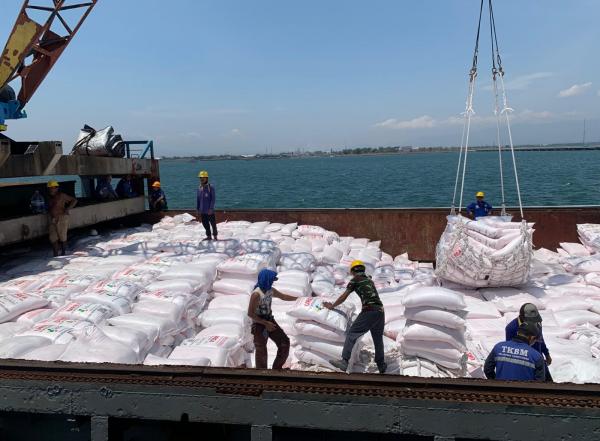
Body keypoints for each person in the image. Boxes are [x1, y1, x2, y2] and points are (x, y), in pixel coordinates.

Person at [324, 260, 387, 374]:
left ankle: (344, 361)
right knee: (378, 339)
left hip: (369, 310)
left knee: (352, 334)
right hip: (380, 311)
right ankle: (381, 365)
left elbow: (344, 296)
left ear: (353, 271)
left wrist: (332, 305)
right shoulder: (369, 280)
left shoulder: (355, 280)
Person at [247, 269, 297, 369]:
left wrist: (299, 299)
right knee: (261, 349)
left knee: (284, 342)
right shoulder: (256, 294)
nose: (273, 282)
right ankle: (262, 375)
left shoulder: (270, 290)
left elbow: (283, 296)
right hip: (259, 323)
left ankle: (276, 369)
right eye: (271, 280)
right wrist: (265, 324)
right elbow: (250, 313)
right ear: (266, 280)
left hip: (269, 320)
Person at [506, 303, 552, 382]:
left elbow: (540, 339)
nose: (533, 322)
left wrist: (546, 354)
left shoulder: (537, 323)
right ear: (522, 317)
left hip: (539, 360)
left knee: (549, 386)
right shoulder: (512, 328)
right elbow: (511, 349)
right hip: (524, 363)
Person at [46, 180, 77, 256]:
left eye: (53, 188)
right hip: (52, 218)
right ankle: (55, 254)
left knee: (62, 236)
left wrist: (67, 209)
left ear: (57, 188)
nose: (51, 189)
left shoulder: (62, 196)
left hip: (62, 218)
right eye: (50, 188)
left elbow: (74, 200)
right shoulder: (48, 197)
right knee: (53, 237)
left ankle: (63, 253)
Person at [197, 170, 217, 240]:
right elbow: (198, 199)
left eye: (203, 177)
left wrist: (211, 209)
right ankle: (209, 236)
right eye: (200, 178)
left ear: (207, 178)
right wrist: (198, 209)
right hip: (202, 211)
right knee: (205, 225)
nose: (201, 179)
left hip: (209, 211)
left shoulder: (210, 187)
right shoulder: (199, 188)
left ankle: (215, 236)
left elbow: (213, 199)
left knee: (213, 225)